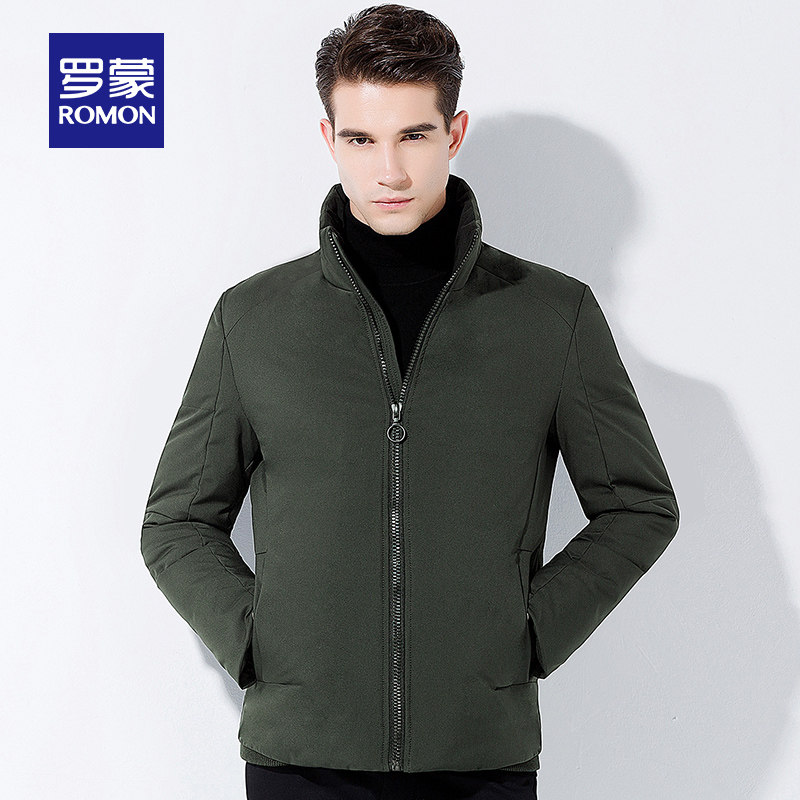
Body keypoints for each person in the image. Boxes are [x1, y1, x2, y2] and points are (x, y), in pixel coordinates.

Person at [140, 4, 680, 799]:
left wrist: (527, 634)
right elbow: (177, 520)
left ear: (454, 134)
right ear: (328, 138)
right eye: (361, 139)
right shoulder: (253, 320)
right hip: (299, 760)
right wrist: (258, 638)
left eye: (413, 136)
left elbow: (638, 505)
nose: (388, 171)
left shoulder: (551, 315)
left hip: (479, 757)